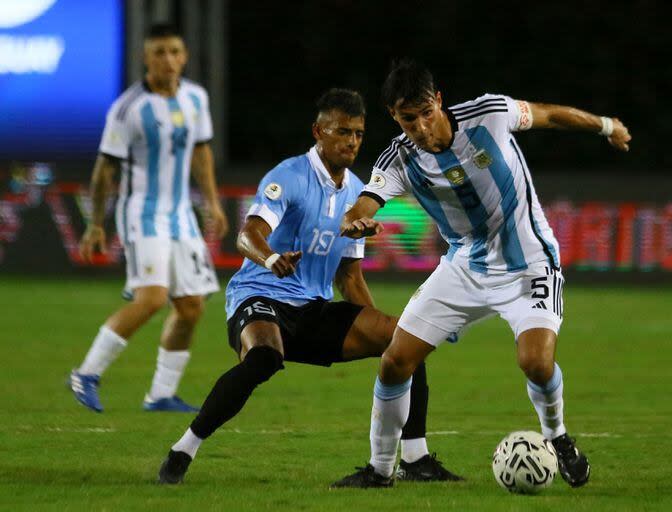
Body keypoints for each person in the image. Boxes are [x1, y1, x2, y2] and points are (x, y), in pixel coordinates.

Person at [332, 60, 632, 488]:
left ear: (438, 100)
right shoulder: (399, 159)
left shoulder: (489, 114)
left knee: (536, 362)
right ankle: (381, 470)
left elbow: (548, 114)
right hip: (464, 267)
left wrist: (605, 126)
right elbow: (366, 201)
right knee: (396, 361)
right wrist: (356, 220)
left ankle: (558, 437)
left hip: (528, 260)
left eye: (424, 112)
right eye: (407, 118)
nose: (419, 126)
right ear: (393, 116)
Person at [156, 88, 460, 485]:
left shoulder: (356, 193)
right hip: (260, 295)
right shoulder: (289, 177)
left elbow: (349, 278)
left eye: (358, 133)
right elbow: (247, 234)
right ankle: (184, 448)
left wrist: (377, 325)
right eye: (342, 132)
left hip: (313, 309)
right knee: (264, 357)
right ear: (319, 131)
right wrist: (270, 258)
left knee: (406, 341)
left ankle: (416, 459)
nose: (351, 141)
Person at [69, 23, 228, 413]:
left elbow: (201, 153)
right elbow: (105, 167)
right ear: (146, 57)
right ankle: (85, 373)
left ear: (185, 55)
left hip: (181, 215)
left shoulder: (195, 98)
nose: (168, 60)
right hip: (141, 212)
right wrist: (94, 223)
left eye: (174, 51)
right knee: (153, 298)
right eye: (159, 52)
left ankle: (160, 394)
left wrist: (212, 202)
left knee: (191, 306)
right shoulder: (129, 107)